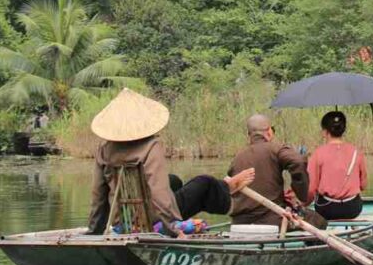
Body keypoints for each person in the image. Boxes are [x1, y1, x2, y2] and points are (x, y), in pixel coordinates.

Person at [87, 88, 255, 237]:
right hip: (150, 219)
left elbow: (98, 195)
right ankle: (232, 194)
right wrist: (172, 228)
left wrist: (95, 229)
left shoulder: (104, 148)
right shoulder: (150, 146)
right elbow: (158, 191)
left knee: (173, 180)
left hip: (120, 222)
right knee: (204, 183)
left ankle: (226, 188)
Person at [228, 114, 309, 226]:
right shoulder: (276, 149)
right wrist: (301, 194)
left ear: (249, 135)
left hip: (239, 224)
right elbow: (298, 162)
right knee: (319, 221)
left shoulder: (237, 158)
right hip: (272, 221)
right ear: (269, 132)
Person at [305, 111, 367, 220]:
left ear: (324, 132)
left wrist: (304, 204)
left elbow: (311, 189)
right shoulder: (356, 152)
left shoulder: (318, 153)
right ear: (343, 130)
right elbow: (363, 185)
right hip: (353, 208)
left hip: (327, 209)